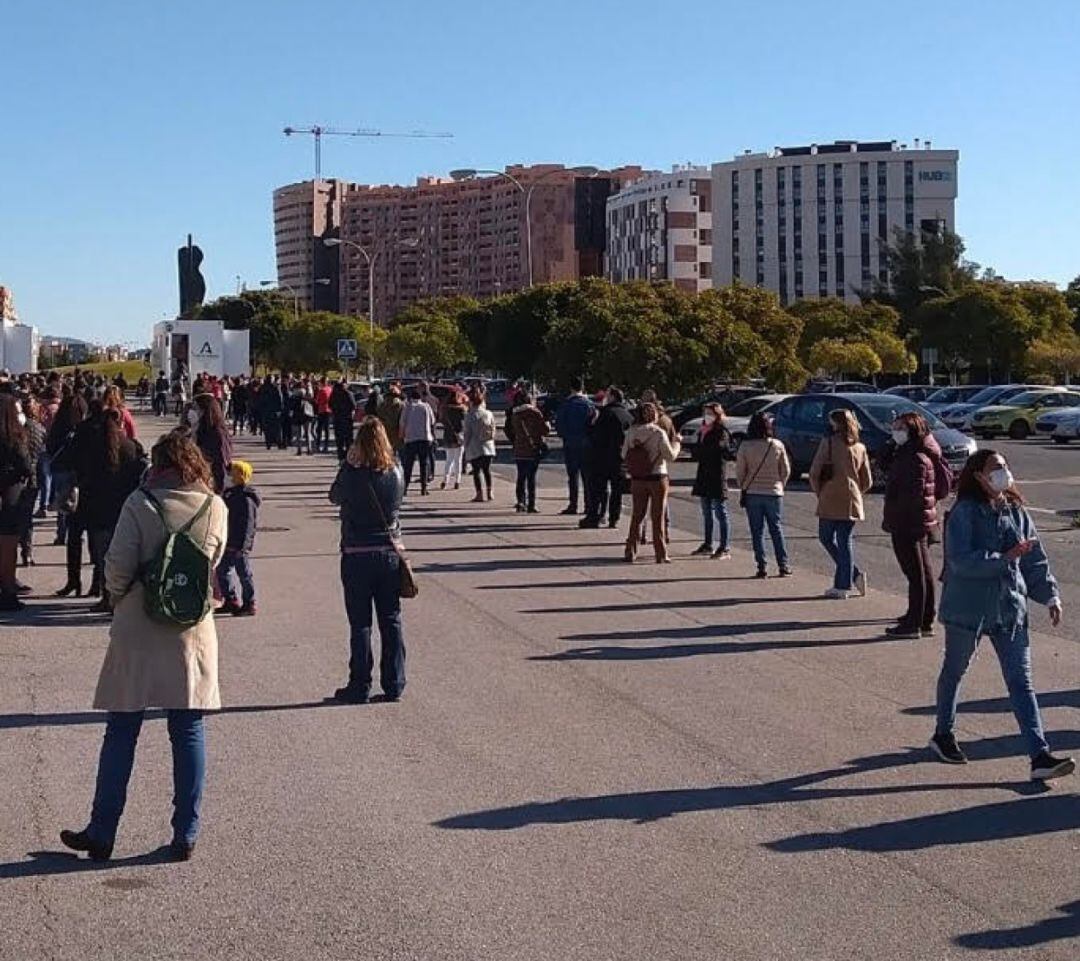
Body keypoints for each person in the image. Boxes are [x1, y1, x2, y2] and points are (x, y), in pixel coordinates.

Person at [60, 431, 228, 862]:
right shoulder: (215, 506)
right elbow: (214, 561)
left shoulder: (140, 503)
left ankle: (102, 830)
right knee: (188, 729)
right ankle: (185, 832)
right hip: (191, 626)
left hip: (139, 622)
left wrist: (120, 598)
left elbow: (116, 565)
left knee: (122, 729)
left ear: (158, 464)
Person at [930, 449, 1075, 781]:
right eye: (995, 468)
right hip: (969, 609)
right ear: (978, 476)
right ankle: (943, 733)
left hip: (1010, 609)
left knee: (1021, 683)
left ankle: (1039, 756)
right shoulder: (965, 513)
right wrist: (1003, 557)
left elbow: (1033, 557)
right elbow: (961, 562)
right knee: (955, 671)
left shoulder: (1015, 509)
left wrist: (1050, 594)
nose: (1003, 473)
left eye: (1005, 467)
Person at [329, 417, 407, 704]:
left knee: (360, 622)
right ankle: (394, 681)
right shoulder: (396, 470)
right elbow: (400, 502)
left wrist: (349, 465)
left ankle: (360, 683)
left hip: (357, 551)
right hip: (389, 551)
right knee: (391, 619)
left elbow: (333, 496)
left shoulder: (353, 474)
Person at [53, 401, 144, 610]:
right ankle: (104, 588)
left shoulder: (87, 439)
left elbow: (66, 460)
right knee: (106, 549)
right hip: (116, 503)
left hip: (88, 498)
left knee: (79, 540)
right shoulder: (129, 445)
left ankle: (77, 581)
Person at [882, 411, 952, 638]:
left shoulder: (915, 458)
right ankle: (922, 617)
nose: (896, 431)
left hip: (910, 521)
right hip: (917, 520)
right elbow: (884, 464)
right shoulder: (912, 452)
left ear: (912, 430)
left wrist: (900, 517)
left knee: (916, 573)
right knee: (922, 571)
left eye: (900, 428)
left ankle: (915, 623)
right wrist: (890, 443)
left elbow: (912, 493)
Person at [809, 409, 873, 599]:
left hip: (830, 496)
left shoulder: (828, 443)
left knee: (826, 538)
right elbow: (867, 479)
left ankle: (845, 581)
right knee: (845, 541)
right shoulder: (860, 447)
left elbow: (814, 472)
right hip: (852, 498)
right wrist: (856, 492)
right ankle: (848, 579)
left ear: (835, 424)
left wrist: (820, 492)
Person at [621, 402, 681, 563]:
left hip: (637, 478)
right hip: (657, 476)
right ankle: (660, 553)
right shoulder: (658, 432)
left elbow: (623, 454)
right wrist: (677, 444)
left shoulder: (631, 432)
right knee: (657, 516)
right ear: (653, 415)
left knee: (637, 515)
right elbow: (670, 456)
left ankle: (630, 550)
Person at [736, 412, 792, 578]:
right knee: (776, 529)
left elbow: (740, 471)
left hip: (753, 491)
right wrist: (780, 484)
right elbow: (786, 470)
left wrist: (744, 486)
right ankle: (783, 565)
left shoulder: (745, 446)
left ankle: (762, 566)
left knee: (757, 531)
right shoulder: (777, 445)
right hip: (774, 492)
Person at [580, 387, 633, 529]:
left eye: (608, 396)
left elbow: (596, 435)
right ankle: (614, 518)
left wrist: (591, 425)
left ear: (613, 397)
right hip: (620, 457)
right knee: (617, 490)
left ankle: (597, 515)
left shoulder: (605, 413)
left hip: (602, 457)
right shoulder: (628, 416)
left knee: (599, 489)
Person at [691, 402, 734, 559]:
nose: (707, 416)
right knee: (706, 512)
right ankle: (708, 543)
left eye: (710, 413)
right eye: (705, 413)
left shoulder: (721, 431)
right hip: (704, 475)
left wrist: (703, 450)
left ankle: (724, 547)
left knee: (720, 512)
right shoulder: (703, 430)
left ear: (717, 415)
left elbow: (718, 450)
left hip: (716, 476)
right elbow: (697, 452)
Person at [0, 395, 31, 611]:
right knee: (8, 546)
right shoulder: (13, 437)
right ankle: (8, 589)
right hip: (10, 492)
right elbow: (25, 465)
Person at [46, 389, 87, 552]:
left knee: (62, 501)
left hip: (60, 467)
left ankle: (61, 533)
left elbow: (50, 446)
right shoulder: (80, 428)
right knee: (77, 501)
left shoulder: (58, 426)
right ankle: (77, 532)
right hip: (76, 468)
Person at [218, 460, 259, 616]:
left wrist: (243, 545)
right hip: (227, 540)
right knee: (223, 570)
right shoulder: (229, 494)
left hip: (239, 544)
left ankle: (249, 603)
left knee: (244, 573)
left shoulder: (245, 498)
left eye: (230, 474)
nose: (227, 476)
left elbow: (248, 524)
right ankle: (230, 599)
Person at [554, 381, 594, 516]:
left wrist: (565, 435)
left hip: (570, 443)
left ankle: (573, 504)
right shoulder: (589, 405)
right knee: (587, 476)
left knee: (573, 476)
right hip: (587, 444)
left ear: (571, 389)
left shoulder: (566, 405)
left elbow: (559, 425)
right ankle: (589, 505)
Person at [508, 393, 550, 513]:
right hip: (533, 448)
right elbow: (545, 430)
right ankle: (531, 504)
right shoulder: (535, 413)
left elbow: (510, 430)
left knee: (521, 477)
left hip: (519, 449)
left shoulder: (515, 414)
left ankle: (521, 502)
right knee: (531, 478)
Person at [399, 387, 436, 496]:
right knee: (423, 464)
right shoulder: (426, 406)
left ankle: (405, 488)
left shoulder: (407, 407)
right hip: (425, 438)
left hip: (410, 439)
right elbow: (432, 421)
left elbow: (402, 423)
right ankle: (423, 488)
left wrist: (402, 436)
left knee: (408, 465)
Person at [462, 388, 496, 503]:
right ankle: (490, 491)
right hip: (488, 445)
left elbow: (467, 433)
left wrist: (465, 447)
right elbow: (493, 429)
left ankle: (479, 494)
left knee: (476, 471)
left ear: (471, 402)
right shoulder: (489, 414)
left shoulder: (470, 415)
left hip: (475, 446)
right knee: (487, 470)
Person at [194, 394, 232, 494]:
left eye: (197, 408)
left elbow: (221, 460)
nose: (195, 412)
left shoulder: (216, 432)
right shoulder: (202, 428)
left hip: (213, 478)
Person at [440, 390, 467, 490]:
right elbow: (464, 424)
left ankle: (445, 480)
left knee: (448, 460)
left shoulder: (445, 410)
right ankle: (457, 481)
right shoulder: (462, 410)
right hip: (459, 436)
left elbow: (442, 421)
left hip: (448, 436)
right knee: (458, 460)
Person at [330, 380, 357, 460]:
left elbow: (330, 404)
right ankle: (349, 458)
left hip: (337, 419)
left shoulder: (334, 394)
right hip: (347, 419)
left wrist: (335, 410)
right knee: (348, 440)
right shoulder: (348, 394)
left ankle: (341, 458)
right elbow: (354, 405)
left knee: (339, 441)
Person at [377, 385, 405, 454]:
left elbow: (379, 416)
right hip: (397, 431)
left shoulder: (382, 405)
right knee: (401, 453)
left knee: (388, 452)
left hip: (386, 431)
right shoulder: (401, 404)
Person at [314, 376, 333, 453]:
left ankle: (318, 446)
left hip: (321, 410)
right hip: (329, 410)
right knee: (327, 429)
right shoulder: (330, 390)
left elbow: (317, 401)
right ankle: (326, 446)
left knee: (319, 429)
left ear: (322, 382)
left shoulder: (321, 390)